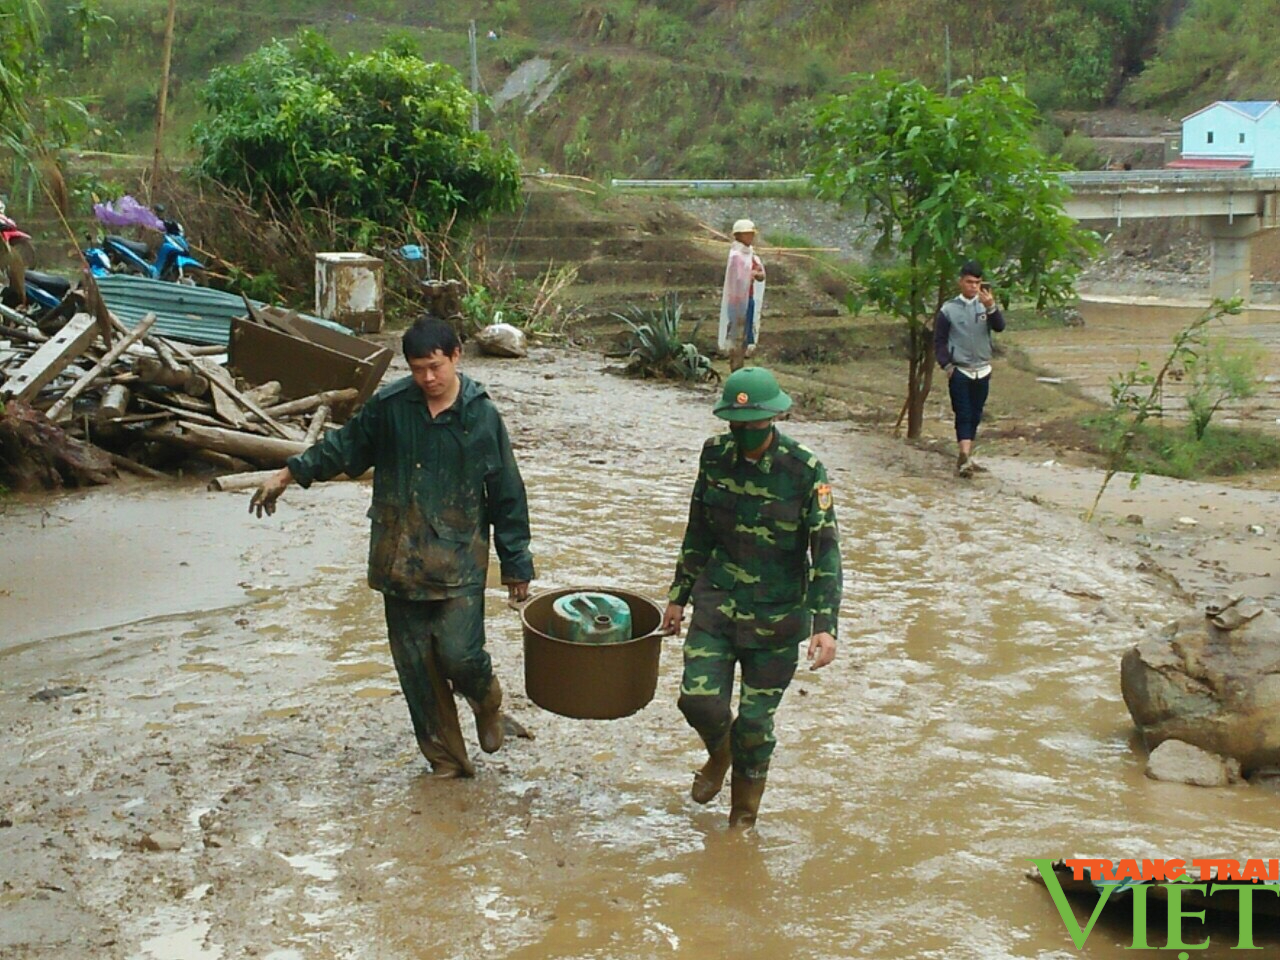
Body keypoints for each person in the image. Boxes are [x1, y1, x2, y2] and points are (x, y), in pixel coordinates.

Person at [249, 315, 535, 778]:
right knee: (417, 671)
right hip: (398, 560)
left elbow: (507, 493)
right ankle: (446, 760)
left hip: (458, 560)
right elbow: (342, 448)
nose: (427, 378)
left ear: (456, 356)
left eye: (435, 367)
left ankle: (487, 700)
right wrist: (288, 474)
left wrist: (516, 565)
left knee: (460, 654)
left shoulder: (481, 416)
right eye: (417, 368)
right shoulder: (391, 406)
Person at [661, 367, 842, 829]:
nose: (744, 435)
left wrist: (825, 625)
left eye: (753, 426)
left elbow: (825, 551)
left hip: (776, 619)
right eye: (736, 425)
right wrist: (678, 596)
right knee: (697, 700)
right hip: (717, 603)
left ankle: (743, 820)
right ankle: (719, 757)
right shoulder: (715, 455)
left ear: (773, 419)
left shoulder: (804, 470)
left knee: (755, 727)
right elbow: (697, 527)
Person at [933, 260, 1006, 477]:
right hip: (960, 370)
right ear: (961, 282)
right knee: (963, 413)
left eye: (977, 282)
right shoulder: (948, 310)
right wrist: (947, 365)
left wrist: (991, 307)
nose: (973, 286)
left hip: (982, 369)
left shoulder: (986, 305)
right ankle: (964, 456)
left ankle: (966, 456)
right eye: (969, 282)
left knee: (975, 414)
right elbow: (939, 340)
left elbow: (1000, 327)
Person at [717, 218, 766, 372]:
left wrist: (755, 273)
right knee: (736, 335)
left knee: (745, 336)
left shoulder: (751, 255)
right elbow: (739, 278)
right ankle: (735, 367)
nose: (751, 237)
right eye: (748, 234)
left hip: (748, 299)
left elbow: (760, 275)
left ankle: (739, 366)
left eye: (752, 234)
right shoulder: (736, 256)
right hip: (737, 302)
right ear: (739, 236)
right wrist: (751, 274)